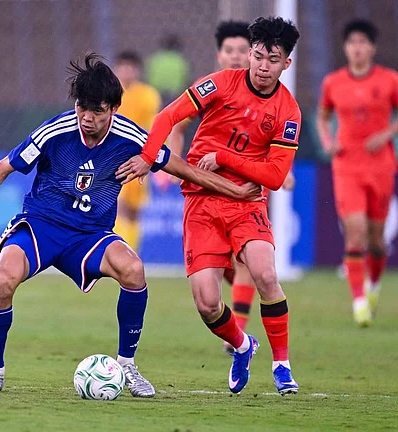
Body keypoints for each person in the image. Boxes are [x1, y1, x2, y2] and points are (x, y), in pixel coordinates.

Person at [0, 53, 261, 396]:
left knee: (134, 269)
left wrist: (237, 190)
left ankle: (128, 366)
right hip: (42, 225)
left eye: (97, 110)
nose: (87, 118)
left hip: (89, 235)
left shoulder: (132, 138)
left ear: (113, 109)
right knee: (3, 279)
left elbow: (184, 169)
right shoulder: (55, 132)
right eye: (82, 108)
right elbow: (3, 167)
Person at [117, 16, 302, 395]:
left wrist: (224, 158)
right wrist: (149, 158)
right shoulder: (220, 83)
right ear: (249, 54)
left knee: (266, 274)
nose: (263, 66)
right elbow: (168, 116)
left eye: (273, 59)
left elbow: (274, 175)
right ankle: (242, 345)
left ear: (287, 63)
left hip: (247, 202)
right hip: (201, 201)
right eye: (258, 56)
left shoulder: (288, 112)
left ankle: (282, 366)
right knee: (206, 303)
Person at [162, 20, 297, 355]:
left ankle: (245, 333)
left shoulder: (282, 104)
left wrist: (277, 173)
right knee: (210, 293)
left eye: (242, 50)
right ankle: (239, 339)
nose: (242, 58)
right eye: (233, 51)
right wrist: (171, 160)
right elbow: (176, 123)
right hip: (204, 193)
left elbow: (275, 159)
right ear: (220, 55)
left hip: (245, 194)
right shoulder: (214, 87)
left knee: (255, 266)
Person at [317, 19, 398, 327]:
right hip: (346, 165)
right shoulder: (333, 82)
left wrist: (385, 135)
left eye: (362, 42)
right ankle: (358, 301)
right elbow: (322, 116)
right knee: (355, 232)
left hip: (381, 166)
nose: (357, 48)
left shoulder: (389, 80)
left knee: (376, 238)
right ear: (345, 47)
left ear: (372, 47)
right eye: (351, 42)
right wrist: (327, 141)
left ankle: (374, 286)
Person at [112, 51, 161, 252]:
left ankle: (130, 251)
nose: (127, 72)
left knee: (133, 210)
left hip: (138, 157)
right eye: (123, 67)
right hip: (110, 157)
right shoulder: (110, 92)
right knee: (115, 205)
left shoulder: (148, 95)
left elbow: (153, 126)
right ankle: (113, 250)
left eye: (131, 67)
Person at [145, 34, 191, 102]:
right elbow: (185, 78)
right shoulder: (180, 60)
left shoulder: (156, 58)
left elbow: (148, 75)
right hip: (174, 94)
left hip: (156, 93)